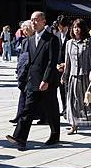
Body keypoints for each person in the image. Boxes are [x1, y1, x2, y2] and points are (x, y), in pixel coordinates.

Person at [7, 11, 61, 150]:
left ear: (44, 21)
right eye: (32, 20)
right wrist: (24, 79)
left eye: (36, 20)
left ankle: (55, 135)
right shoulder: (29, 40)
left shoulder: (52, 39)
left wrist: (46, 79)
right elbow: (28, 62)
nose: (34, 23)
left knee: (51, 109)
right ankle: (20, 138)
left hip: (46, 80)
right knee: (28, 109)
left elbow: (51, 61)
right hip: (32, 80)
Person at [62, 19, 91, 133]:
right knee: (73, 101)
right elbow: (67, 61)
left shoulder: (89, 42)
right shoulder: (69, 43)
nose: (76, 29)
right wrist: (64, 75)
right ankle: (74, 124)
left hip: (86, 76)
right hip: (73, 76)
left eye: (78, 27)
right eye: (74, 27)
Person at [9, 20, 35, 123]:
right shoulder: (24, 41)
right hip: (23, 70)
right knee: (23, 94)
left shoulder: (34, 40)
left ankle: (42, 116)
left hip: (31, 71)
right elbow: (22, 57)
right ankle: (19, 115)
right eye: (23, 29)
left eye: (26, 29)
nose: (24, 31)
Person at [55, 15, 71, 116]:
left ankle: (69, 109)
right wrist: (57, 64)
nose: (60, 29)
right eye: (59, 27)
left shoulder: (71, 35)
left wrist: (66, 64)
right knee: (61, 89)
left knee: (68, 89)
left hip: (69, 66)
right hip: (58, 66)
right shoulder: (56, 35)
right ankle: (64, 108)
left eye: (62, 27)